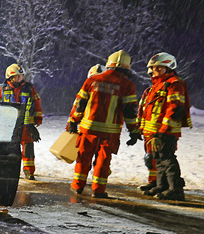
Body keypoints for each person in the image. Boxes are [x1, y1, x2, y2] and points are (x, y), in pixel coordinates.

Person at [66, 50, 141, 198]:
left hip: (88, 128)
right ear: (127, 67)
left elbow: (80, 103)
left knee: (83, 157)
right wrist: (133, 130)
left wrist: (73, 121)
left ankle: (77, 187)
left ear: (109, 64)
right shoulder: (127, 84)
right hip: (110, 132)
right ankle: (99, 190)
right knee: (103, 161)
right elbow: (130, 111)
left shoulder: (92, 80)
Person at [138, 52, 192, 200]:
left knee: (167, 159)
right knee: (159, 159)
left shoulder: (174, 83)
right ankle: (162, 185)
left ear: (169, 68)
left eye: (159, 68)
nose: (155, 71)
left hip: (166, 131)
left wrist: (162, 132)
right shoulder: (157, 86)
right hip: (155, 132)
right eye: (153, 68)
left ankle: (176, 190)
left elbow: (174, 109)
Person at [0, 63, 44, 179]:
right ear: (10, 77)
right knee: (10, 149)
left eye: (21, 76)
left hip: (27, 125)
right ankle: (9, 170)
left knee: (28, 150)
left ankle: (29, 171)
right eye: (17, 76)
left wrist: (38, 118)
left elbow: (36, 102)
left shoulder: (29, 87)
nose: (20, 78)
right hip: (9, 126)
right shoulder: (2, 89)